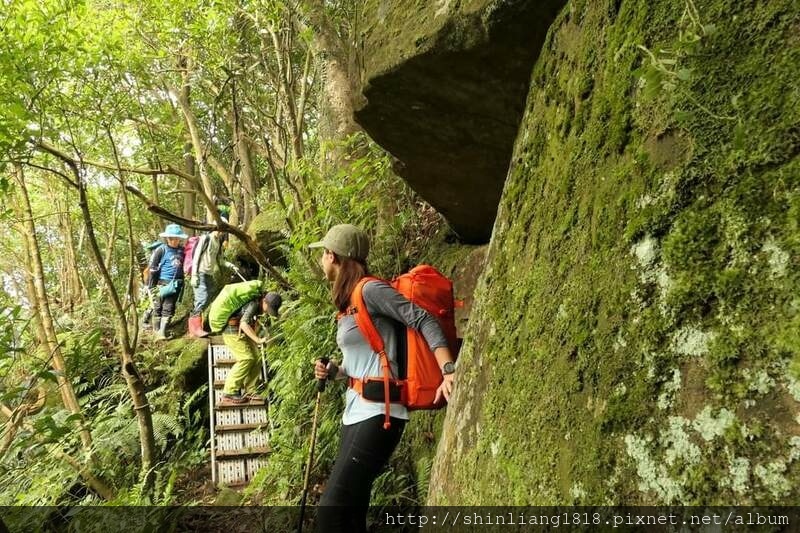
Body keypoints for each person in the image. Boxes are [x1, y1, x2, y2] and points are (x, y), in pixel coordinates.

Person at [309, 224, 456, 532]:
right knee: (351, 511)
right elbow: (364, 363)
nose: (321, 260)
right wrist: (333, 370)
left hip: (380, 415)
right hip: (356, 412)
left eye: (323, 254)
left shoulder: (370, 290)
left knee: (331, 513)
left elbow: (422, 318)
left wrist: (448, 369)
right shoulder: (349, 302)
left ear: (332, 256)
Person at [220, 291, 283, 404]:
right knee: (246, 358)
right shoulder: (253, 304)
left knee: (257, 357)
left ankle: (250, 390)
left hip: (239, 332)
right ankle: (228, 392)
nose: (267, 312)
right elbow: (244, 324)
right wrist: (258, 340)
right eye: (268, 309)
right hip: (231, 331)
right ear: (264, 301)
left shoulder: (259, 303)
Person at [187, 230, 236, 337]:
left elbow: (220, 260)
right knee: (202, 298)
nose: (222, 232)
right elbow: (196, 257)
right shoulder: (205, 239)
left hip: (209, 275)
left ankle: (196, 326)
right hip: (200, 273)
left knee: (212, 294)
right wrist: (194, 275)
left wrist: (230, 265)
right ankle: (195, 329)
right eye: (220, 229)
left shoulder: (218, 242)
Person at [147, 223, 188, 340]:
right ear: (167, 238)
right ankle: (156, 331)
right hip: (161, 283)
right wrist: (151, 285)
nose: (174, 241)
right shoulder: (161, 250)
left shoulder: (182, 250)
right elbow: (153, 267)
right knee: (157, 306)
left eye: (176, 238)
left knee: (169, 307)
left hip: (175, 284)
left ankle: (162, 332)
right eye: (171, 238)